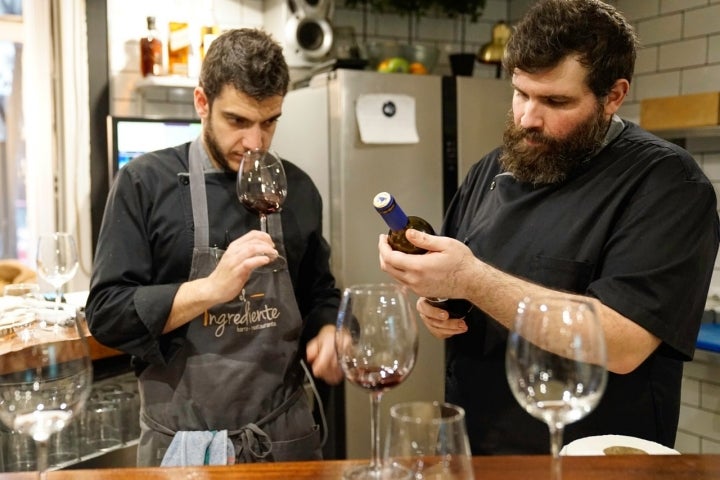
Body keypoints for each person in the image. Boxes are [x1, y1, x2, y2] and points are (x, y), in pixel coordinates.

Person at [378, 0, 720, 455]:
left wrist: (471, 279)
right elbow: (467, 293)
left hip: (591, 459)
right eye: (520, 92)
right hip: (476, 449)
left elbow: (624, 343)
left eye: (555, 101)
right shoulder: (491, 171)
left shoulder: (666, 183)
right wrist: (441, 303)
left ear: (613, 96)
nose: (526, 118)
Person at [86, 28, 343, 466]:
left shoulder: (298, 189)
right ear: (202, 103)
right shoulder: (144, 183)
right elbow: (108, 314)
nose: (255, 144)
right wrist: (209, 289)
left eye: (269, 121)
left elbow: (318, 293)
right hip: (183, 452)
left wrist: (328, 332)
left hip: (285, 441)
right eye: (238, 121)